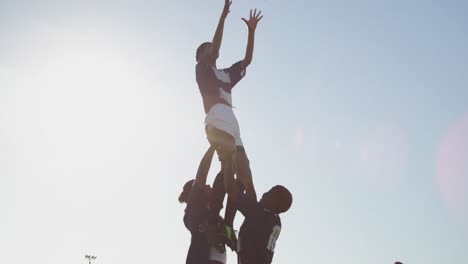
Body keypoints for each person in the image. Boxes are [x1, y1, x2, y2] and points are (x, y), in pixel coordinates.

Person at [195, 0, 264, 203]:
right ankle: (223, 220)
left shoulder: (225, 74)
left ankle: (254, 215)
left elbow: (247, 61)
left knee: (245, 175)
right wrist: (223, 16)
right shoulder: (202, 69)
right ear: (200, 56)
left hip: (233, 122)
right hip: (216, 118)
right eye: (208, 49)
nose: (213, 50)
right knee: (228, 168)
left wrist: (251, 32)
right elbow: (215, 47)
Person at [179, 147, 236, 264]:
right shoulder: (192, 214)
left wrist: (226, 158)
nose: (209, 185)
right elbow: (202, 172)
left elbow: (224, 178)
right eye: (205, 185)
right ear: (196, 194)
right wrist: (213, 146)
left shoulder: (214, 211)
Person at [224, 168, 293, 264]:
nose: (264, 194)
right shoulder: (271, 219)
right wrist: (242, 157)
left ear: (275, 202)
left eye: (269, 193)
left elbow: (230, 189)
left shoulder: (261, 216)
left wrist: (226, 159)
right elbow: (249, 186)